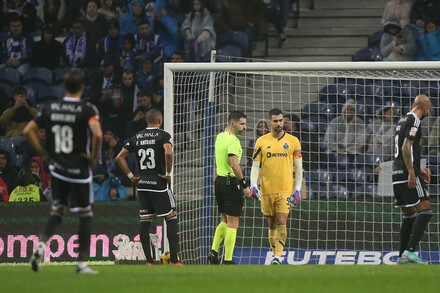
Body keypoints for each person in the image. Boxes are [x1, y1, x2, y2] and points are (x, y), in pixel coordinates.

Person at [24, 69, 103, 274]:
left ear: (64, 87)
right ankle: (82, 264)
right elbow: (97, 134)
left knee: (57, 210)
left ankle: (40, 247)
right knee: (85, 214)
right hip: (79, 169)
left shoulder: (51, 107)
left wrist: (45, 154)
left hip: (58, 169)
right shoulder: (87, 109)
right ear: (82, 87)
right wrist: (93, 158)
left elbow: (27, 130)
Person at [116, 108, 183, 265]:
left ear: (146, 120)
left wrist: (132, 176)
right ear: (160, 121)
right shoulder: (163, 135)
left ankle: (149, 261)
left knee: (145, 223)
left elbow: (120, 157)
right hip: (158, 184)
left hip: (143, 184)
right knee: (171, 218)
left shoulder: (137, 137)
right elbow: (168, 153)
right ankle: (174, 261)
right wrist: (168, 173)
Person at [250, 108, 302, 265]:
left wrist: (297, 189)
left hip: (285, 189)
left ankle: (278, 256)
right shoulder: (261, 141)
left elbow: (299, 167)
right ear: (269, 122)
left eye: (281, 120)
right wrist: (253, 184)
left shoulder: (293, 141)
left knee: (281, 220)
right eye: (276, 121)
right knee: (271, 223)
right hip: (266, 189)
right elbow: (255, 165)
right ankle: (275, 254)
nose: (279, 124)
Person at [392, 94, 432, 265]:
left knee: (408, 215)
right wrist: (412, 171)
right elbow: (405, 146)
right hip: (407, 173)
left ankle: (402, 256)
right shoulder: (415, 120)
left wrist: (418, 169)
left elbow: (404, 149)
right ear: (425, 108)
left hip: (396, 173)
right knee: (426, 210)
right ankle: (410, 251)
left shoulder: (402, 120)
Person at [207, 111, 251, 265]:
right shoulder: (234, 141)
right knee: (233, 222)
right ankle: (228, 260)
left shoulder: (220, 137)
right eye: (242, 124)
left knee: (225, 219)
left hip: (218, 181)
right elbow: (234, 164)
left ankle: (213, 251)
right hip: (230, 182)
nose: (245, 127)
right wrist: (244, 185)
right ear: (233, 123)